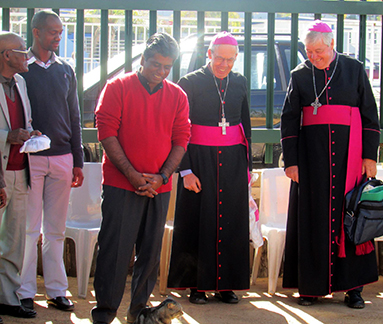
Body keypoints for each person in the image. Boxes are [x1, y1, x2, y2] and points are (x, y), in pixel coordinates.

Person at [91, 32, 190, 324]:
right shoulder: (117, 87)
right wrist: (133, 176)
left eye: (167, 67)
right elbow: (106, 133)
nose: (160, 72)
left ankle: (139, 314)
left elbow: (182, 139)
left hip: (159, 187)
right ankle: (105, 314)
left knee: (150, 255)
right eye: (155, 64)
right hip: (121, 184)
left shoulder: (177, 95)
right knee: (115, 252)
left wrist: (161, 177)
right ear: (143, 58)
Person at [281, 20, 380, 309]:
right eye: (309, 51)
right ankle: (310, 288)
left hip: (350, 158)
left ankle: (353, 289)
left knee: (351, 219)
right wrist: (292, 162)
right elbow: (289, 120)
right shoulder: (300, 74)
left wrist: (369, 157)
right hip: (312, 161)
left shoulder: (353, 69)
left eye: (319, 50)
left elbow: (370, 115)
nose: (314, 57)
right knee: (312, 219)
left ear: (332, 44)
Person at [167, 31, 252, 305]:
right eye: (219, 58)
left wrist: (247, 167)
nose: (224, 65)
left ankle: (227, 285)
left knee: (232, 224)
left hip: (233, 162)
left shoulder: (239, 82)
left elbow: (246, 125)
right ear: (209, 55)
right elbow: (179, 130)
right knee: (198, 223)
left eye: (230, 60)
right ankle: (198, 286)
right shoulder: (189, 83)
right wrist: (185, 170)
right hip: (199, 161)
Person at [17, 10, 84, 312]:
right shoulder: (21, 70)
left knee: (55, 228)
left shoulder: (66, 69)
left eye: (60, 31)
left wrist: (78, 160)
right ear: (36, 32)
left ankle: (57, 291)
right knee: (29, 229)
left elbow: (75, 116)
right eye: (53, 32)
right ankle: (24, 291)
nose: (58, 36)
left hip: (62, 158)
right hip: (29, 159)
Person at [0, 31, 41, 320]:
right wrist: (8, 136)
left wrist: (30, 134)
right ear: (6, 55)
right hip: (1, 173)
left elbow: (22, 122)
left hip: (20, 169)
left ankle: (7, 298)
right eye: (22, 51)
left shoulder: (21, 83)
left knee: (14, 241)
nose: (27, 55)